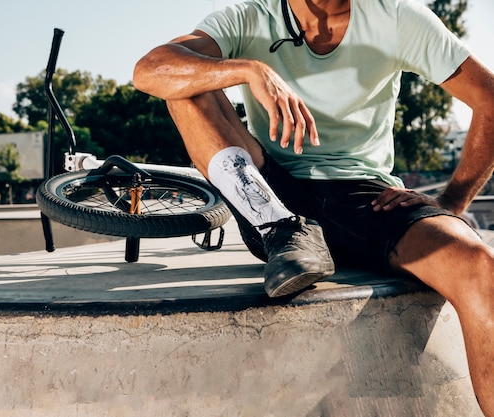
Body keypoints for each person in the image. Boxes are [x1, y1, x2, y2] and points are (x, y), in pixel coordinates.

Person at [133, 0, 494, 414]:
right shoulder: (251, 17)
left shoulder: (394, 16)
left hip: (368, 197)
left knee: (479, 265)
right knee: (185, 79)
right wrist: (250, 69)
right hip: (272, 195)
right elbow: (150, 69)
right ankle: (283, 229)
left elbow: (490, 97)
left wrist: (452, 201)